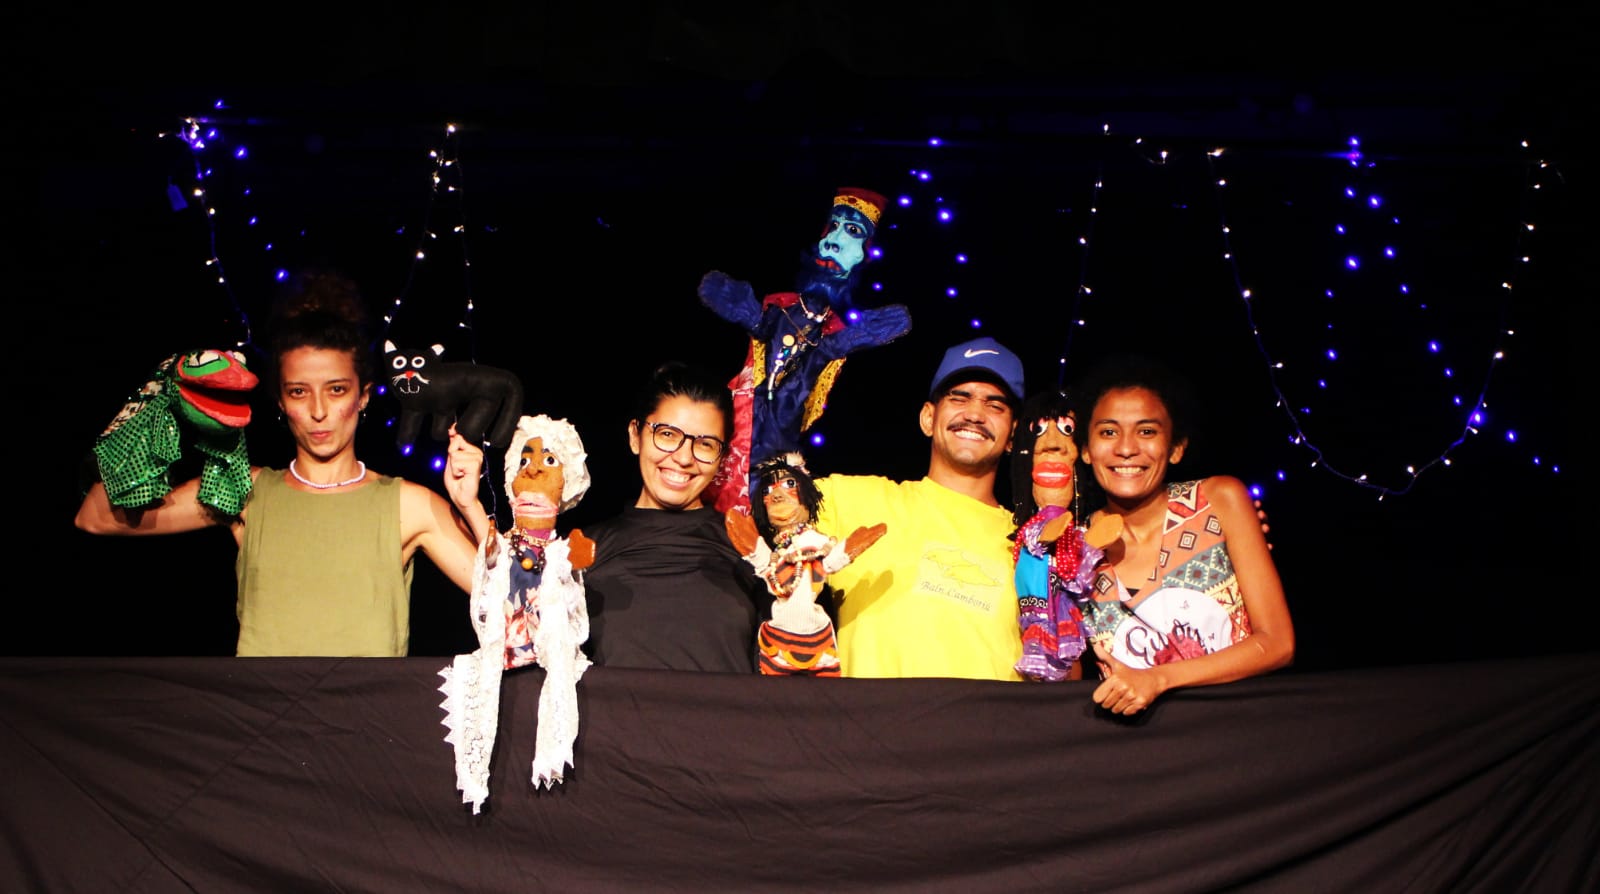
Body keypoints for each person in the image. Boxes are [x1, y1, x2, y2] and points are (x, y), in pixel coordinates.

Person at [74, 271, 490, 657]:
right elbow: (94, 517)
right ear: (280, 401)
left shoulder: (407, 505)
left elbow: (511, 607)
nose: (318, 411)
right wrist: (156, 402)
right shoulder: (244, 491)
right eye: (298, 392)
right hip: (258, 711)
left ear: (363, 396)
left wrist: (470, 507)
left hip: (363, 712)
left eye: (336, 390)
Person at [1074, 353, 1295, 715]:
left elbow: (1278, 644)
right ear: (1086, 449)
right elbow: (1065, 677)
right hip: (1137, 744)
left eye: (1147, 431)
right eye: (1108, 432)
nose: (1126, 448)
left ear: (1176, 448)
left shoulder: (1218, 501)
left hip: (1242, 729)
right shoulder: (1074, 548)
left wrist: (1158, 679)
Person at [582, 361, 837, 673]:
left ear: (722, 456)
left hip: (730, 708)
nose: (683, 458)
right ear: (636, 435)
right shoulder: (582, 550)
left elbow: (794, 670)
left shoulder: (752, 549)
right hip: (614, 708)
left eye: (705, 444)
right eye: (667, 434)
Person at [813, 336, 1029, 680]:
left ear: (1013, 435)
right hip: (873, 716)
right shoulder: (849, 499)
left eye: (995, 406)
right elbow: (763, 500)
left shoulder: (1032, 544)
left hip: (989, 718)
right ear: (928, 417)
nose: (975, 414)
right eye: (959, 398)